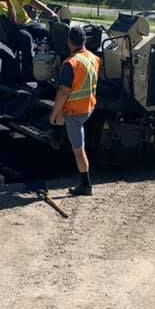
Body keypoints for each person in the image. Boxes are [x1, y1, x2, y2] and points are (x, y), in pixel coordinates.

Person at [49, 25, 100, 196]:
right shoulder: (93, 58)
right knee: (62, 123)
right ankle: (59, 134)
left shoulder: (71, 63)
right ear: (84, 40)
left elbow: (64, 92)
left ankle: (86, 184)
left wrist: (54, 114)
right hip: (88, 107)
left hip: (75, 112)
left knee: (78, 150)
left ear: (69, 42)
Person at [0, 0, 57, 79]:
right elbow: (13, 20)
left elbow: (31, 1)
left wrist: (50, 12)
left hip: (26, 22)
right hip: (10, 28)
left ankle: (48, 64)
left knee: (44, 32)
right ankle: (27, 70)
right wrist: (8, 2)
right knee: (26, 38)